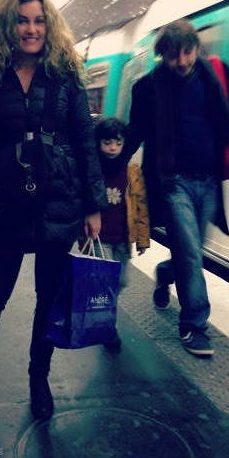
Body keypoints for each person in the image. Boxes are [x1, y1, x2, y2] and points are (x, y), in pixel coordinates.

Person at [0, 0, 107, 428]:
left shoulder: (65, 75)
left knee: (48, 299)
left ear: (48, 25)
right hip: (4, 203)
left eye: (39, 20)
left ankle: (39, 379)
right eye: (23, 20)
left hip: (59, 202)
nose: (32, 29)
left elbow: (85, 141)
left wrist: (94, 206)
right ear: (9, 25)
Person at [127, 19, 229, 358]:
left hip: (208, 179)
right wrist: (107, 169)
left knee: (192, 252)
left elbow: (228, 124)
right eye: (175, 56)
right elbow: (134, 134)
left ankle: (165, 272)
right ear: (163, 55)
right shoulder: (147, 88)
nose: (183, 61)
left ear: (196, 49)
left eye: (188, 52)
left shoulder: (210, 76)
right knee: (190, 252)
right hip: (173, 182)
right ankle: (194, 325)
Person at [93, 116, 150, 351]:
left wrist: (143, 238)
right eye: (107, 143)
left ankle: (104, 313)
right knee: (106, 282)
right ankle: (108, 327)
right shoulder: (93, 169)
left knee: (121, 281)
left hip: (123, 240)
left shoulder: (131, 172)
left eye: (118, 143)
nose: (113, 148)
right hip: (99, 238)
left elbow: (141, 206)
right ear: (98, 143)